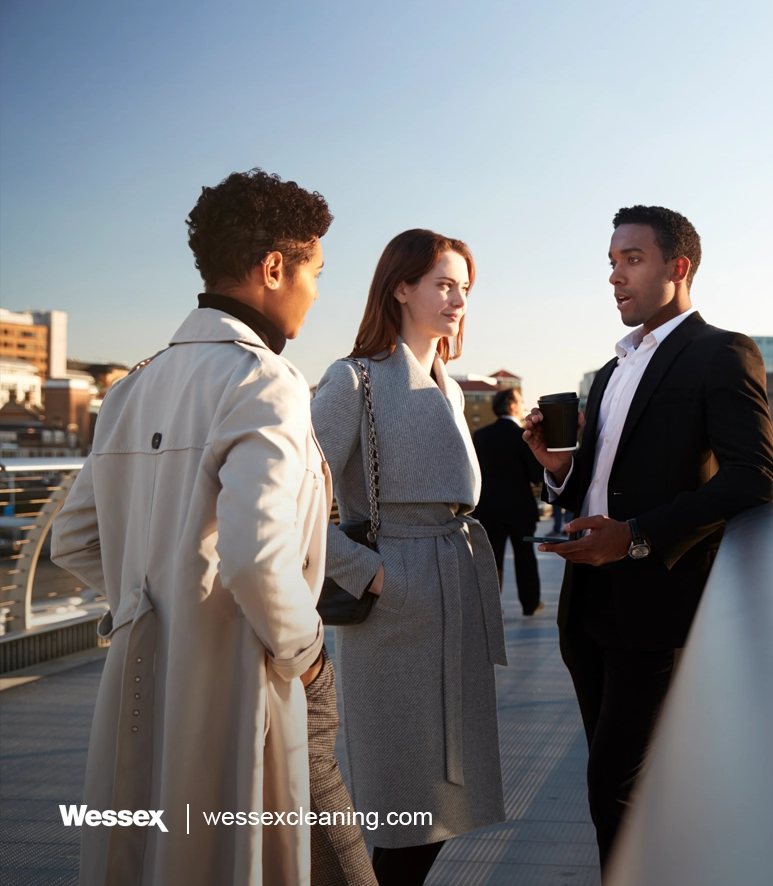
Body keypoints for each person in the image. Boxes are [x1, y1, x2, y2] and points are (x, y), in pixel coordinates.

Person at [52, 170, 373, 885]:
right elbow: (258, 556)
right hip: (244, 681)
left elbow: (74, 538)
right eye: (316, 272)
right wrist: (308, 654)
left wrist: (153, 606)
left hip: (140, 682)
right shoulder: (266, 382)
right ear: (273, 269)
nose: (317, 292)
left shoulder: (135, 385)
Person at [524, 205, 773, 875]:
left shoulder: (721, 352)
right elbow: (604, 487)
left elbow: (756, 477)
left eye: (631, 260)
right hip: (588, 610)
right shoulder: (609, 373)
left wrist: (635, 537)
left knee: (614, 787)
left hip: (659, 607)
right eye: (611, 262)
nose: (615, 276)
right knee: (622, 785)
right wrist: (561, 475)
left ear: (679, 267)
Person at [311, 229, 507, 886]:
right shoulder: (352, 381)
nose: (459, 300)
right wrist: (373, 574)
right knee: (407, 803)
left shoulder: (449, 388)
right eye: (444, 284)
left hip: (452, 588)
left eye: (465, 289)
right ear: (401, 286)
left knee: (447, 799)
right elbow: (289, 505)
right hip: (395, 605)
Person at [472, 387, 545, 615]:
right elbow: (536, 475)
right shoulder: (523, 436)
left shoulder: (481, 435)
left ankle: (492, 609)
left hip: (488, 508)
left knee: (492, 561)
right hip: (520, 509)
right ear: (513, 406)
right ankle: (530, 604)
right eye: (521, 401)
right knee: (525, 558)